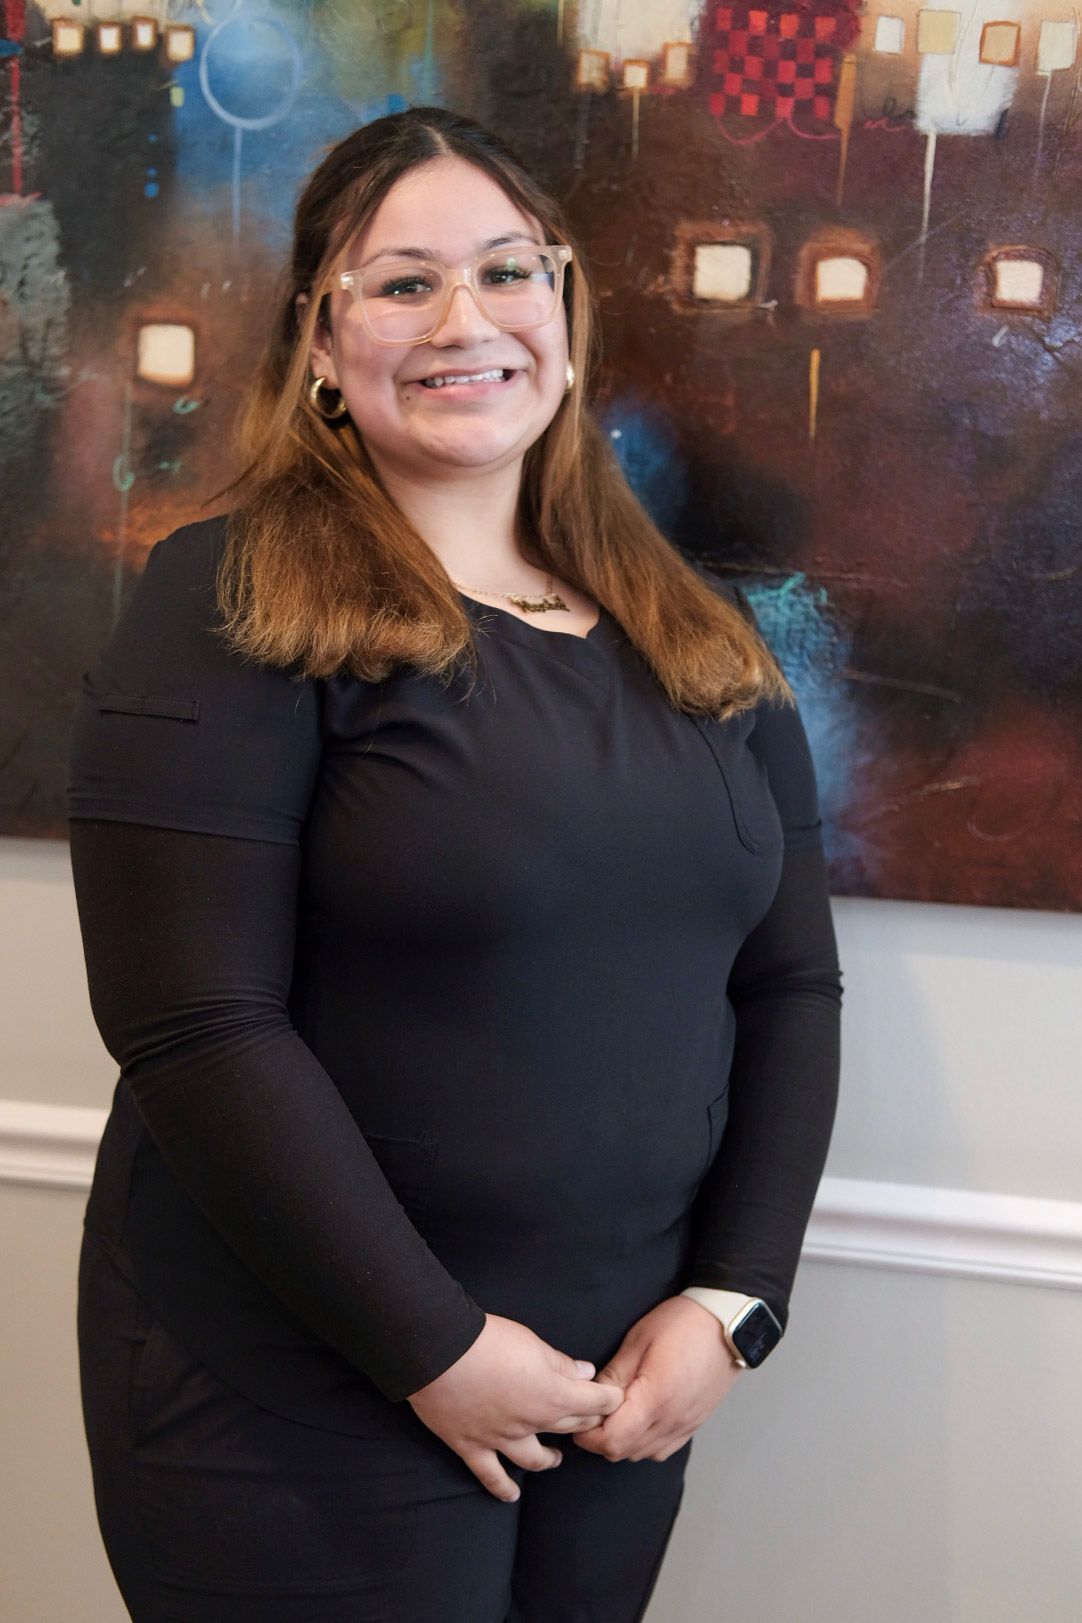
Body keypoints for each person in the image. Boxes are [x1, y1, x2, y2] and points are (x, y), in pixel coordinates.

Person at [67, 106, 842, 1622]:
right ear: (316, 338)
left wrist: (730, 1304)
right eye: (400, 282)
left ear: (562, 309)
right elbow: (193, 1024)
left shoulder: (690, 634)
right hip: (295, 1382)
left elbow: (788, 983)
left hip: (621, 1385)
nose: (463, 319)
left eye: (504, 271)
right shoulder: (219, 598)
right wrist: (432, 1347)